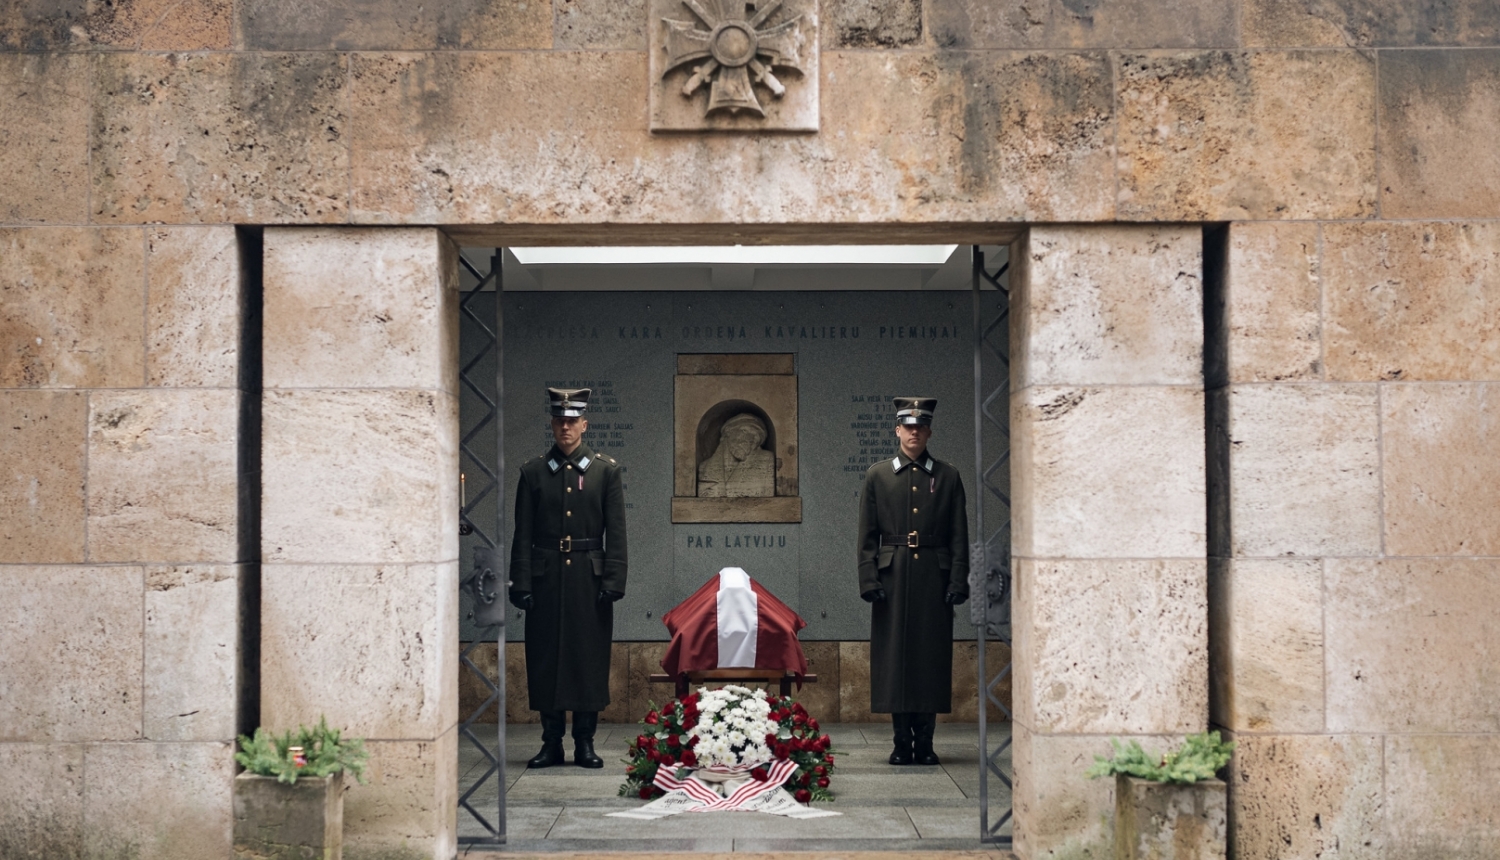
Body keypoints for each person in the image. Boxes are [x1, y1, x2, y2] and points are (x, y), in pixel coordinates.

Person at [509, 387, 628, 768]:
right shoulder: (532, 473)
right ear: (552, 424)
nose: (566, 427)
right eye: (560, 421)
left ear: (584, 424)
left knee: (586, 659)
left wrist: (613, 580)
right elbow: (522, 534)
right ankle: (551, 742)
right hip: (545, 580)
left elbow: (617, 532)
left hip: (588, 583)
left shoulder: (605, 471)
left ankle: (585, 742)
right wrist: (521, 582)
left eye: (572, 421)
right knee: (546, 659)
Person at [856, 396, 969, 766]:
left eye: (920, 427)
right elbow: (867, 535)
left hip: (933, 580)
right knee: (895, 659)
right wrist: (869, 577)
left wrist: (957, 579)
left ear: (929, 431)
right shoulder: (878, 475)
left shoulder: (947, 476)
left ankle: (927, 742)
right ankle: (901, 742)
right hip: (893, 578)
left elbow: (958, 534)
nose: (914, 432)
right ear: (897, 430)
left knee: (929, 659)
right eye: (908, 426)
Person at [696, 412, 775, 497]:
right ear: (728, 431)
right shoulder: (704, 467)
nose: (750, 439)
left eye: (756, 437)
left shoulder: (767, 461)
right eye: (744, 431)